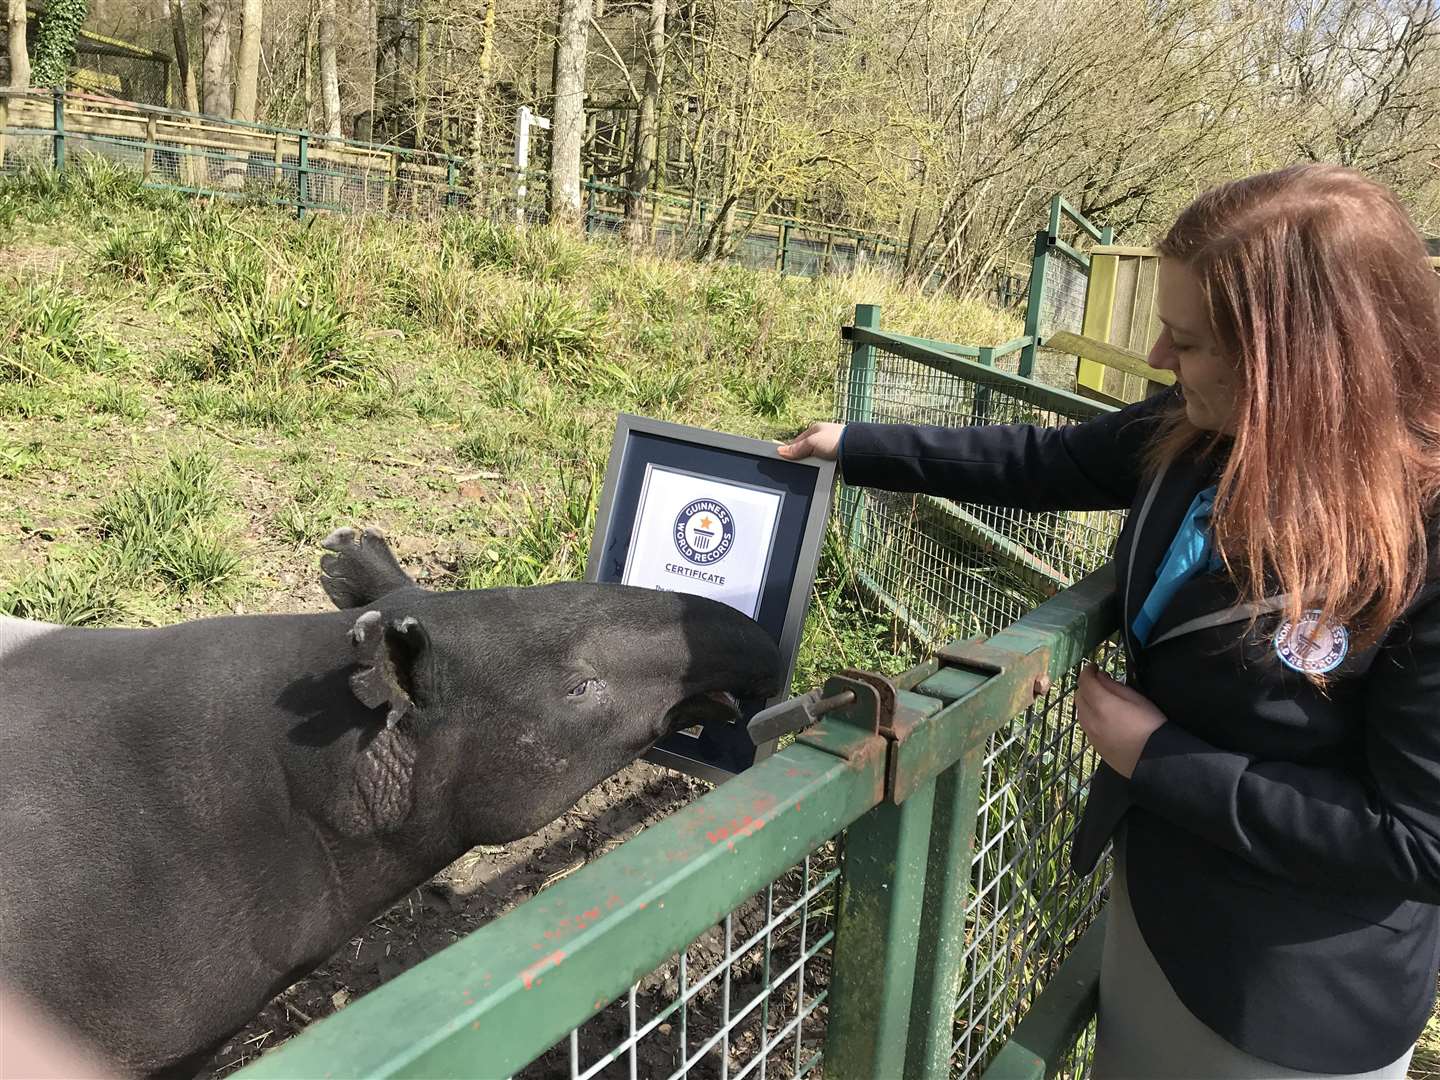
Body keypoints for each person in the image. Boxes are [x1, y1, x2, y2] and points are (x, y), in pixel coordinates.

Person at [779, 164, 1440, 1078]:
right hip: (1159, 905)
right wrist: (855, 444)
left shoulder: (1422, 538)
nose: (1163, 361)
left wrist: (1160, 757)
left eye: (1189, 340)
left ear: (1302, 364)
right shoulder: (1207, 426)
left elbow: (1416, 839)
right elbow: (1042, 460)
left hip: (1289, 994)